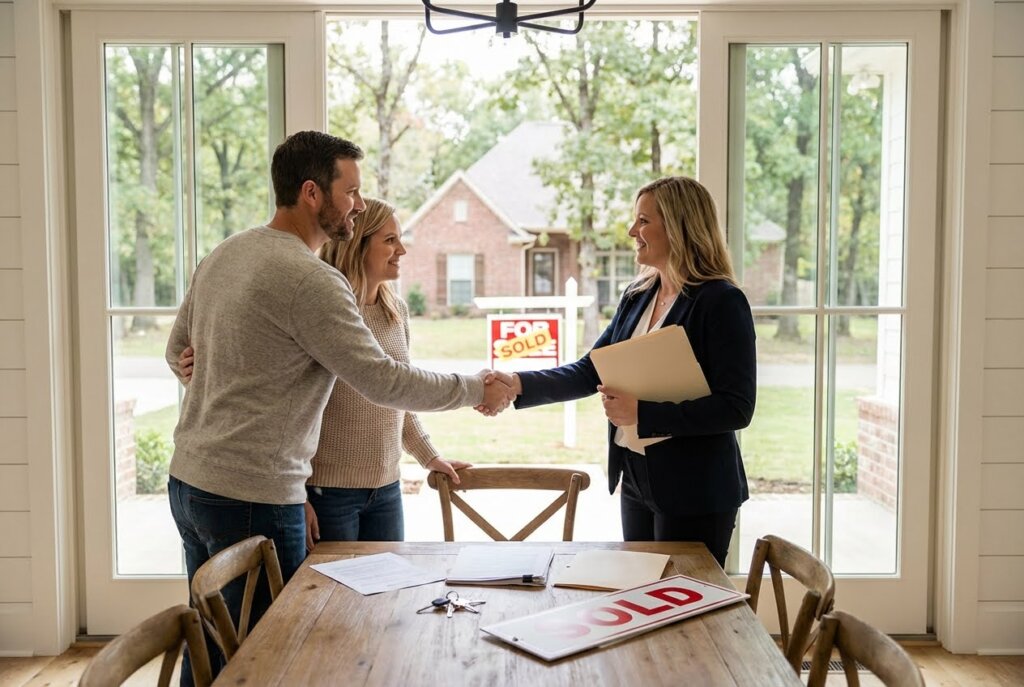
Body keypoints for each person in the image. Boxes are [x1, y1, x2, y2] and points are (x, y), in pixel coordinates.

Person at [165, 131, 513, 684]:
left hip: (189, 483)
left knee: (212, 646)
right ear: (311, 192)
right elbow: (381, 380)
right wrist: (476, 388)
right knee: (269, 659)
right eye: (350, 191)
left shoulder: (226, 252)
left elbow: (176, 349)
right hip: (254, 494)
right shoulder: (311, 279)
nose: (357, 203)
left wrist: (205, 371)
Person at [506, 176, 756, 568]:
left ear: (679, 225)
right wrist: (518, 384)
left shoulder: (721, 301)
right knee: (641, 595)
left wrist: (644, 414)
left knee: (682, 610)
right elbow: (592, 368)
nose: (631, 231)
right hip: (637, 479)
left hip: (696, 490)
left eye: (643, 221)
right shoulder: (638, 295)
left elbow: (736, 408)